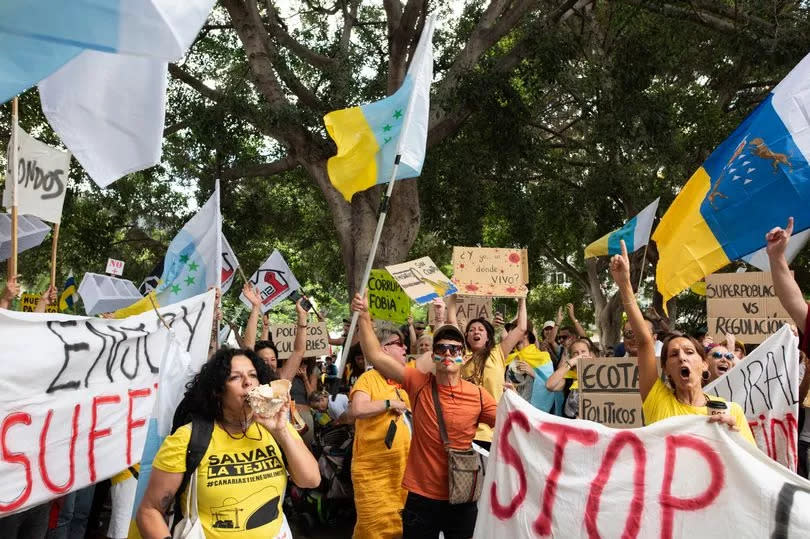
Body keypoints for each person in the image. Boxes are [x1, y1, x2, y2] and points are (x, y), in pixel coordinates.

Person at [351, 292, 497, 539]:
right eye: (441, 348)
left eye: (454, 348)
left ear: (464, 355)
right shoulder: (417, 382)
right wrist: (364, 316)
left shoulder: (479, 395)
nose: (448, 353)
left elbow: (512, 426)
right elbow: (376, 355)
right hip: (420, 498)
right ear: (434, 355)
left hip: (461, 498)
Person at [136, 348, 320, 537]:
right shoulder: (188, 438)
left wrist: (282, 431)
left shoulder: (276, 429)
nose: (248, 382)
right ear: (218, 391)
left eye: (253, 375)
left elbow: (311, 480)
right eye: (234, 377)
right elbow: (149, 511)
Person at [610, 240, 755, 444]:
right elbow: (644, 342)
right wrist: (625, 284)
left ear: (704, 364)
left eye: (689, 352)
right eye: (673, 354)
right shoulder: (657, 400)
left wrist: (734, 436)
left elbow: (751, 465)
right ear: (666, 369)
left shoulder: (731, 411)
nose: (681, 358)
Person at [349, 326, 412, 539]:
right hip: (374, 474)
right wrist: (389, 402)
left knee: (402, 529)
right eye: (398, 344)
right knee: (373, 530)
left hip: (404, 473)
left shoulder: (406, 383)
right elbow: (357, 409)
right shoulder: (369, 378)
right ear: (383, 349)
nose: (405, 348)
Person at [448, 294, 525, 451]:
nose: (476, 332)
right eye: (471, 330)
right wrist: (453, 296)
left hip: (493, 431)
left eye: (481, 329)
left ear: (488, 336)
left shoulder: (498, 353)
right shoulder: (460, 358)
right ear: (467, 337)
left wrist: (522, 300)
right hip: (465, 432)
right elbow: (452, 322)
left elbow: (521, 328)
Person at [243, 284, 309, 381]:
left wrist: (302, 316)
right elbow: (248, 347)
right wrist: (256, 307)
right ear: (254, 360)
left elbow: (298, 351)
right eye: (264, 360)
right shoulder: (250, 381)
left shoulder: (282, 378)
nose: (269, 364)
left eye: (273, 359)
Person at [503, 321, 561, 414]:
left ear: (525, 334)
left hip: (532, 413)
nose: (510, 334)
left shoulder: (543, 357)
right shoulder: (507, 357)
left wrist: (533, 373)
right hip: (510, 409)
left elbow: (551, 386)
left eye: (513, 331)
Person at [546, 338, 596, 418]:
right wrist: (570, 363)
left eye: (583, 352)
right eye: (576, 353)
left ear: (590, 354)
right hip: (572, 425)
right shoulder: (568, 377)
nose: (580, 355)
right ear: (571, 356)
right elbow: (549, 385)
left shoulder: (599, 374)